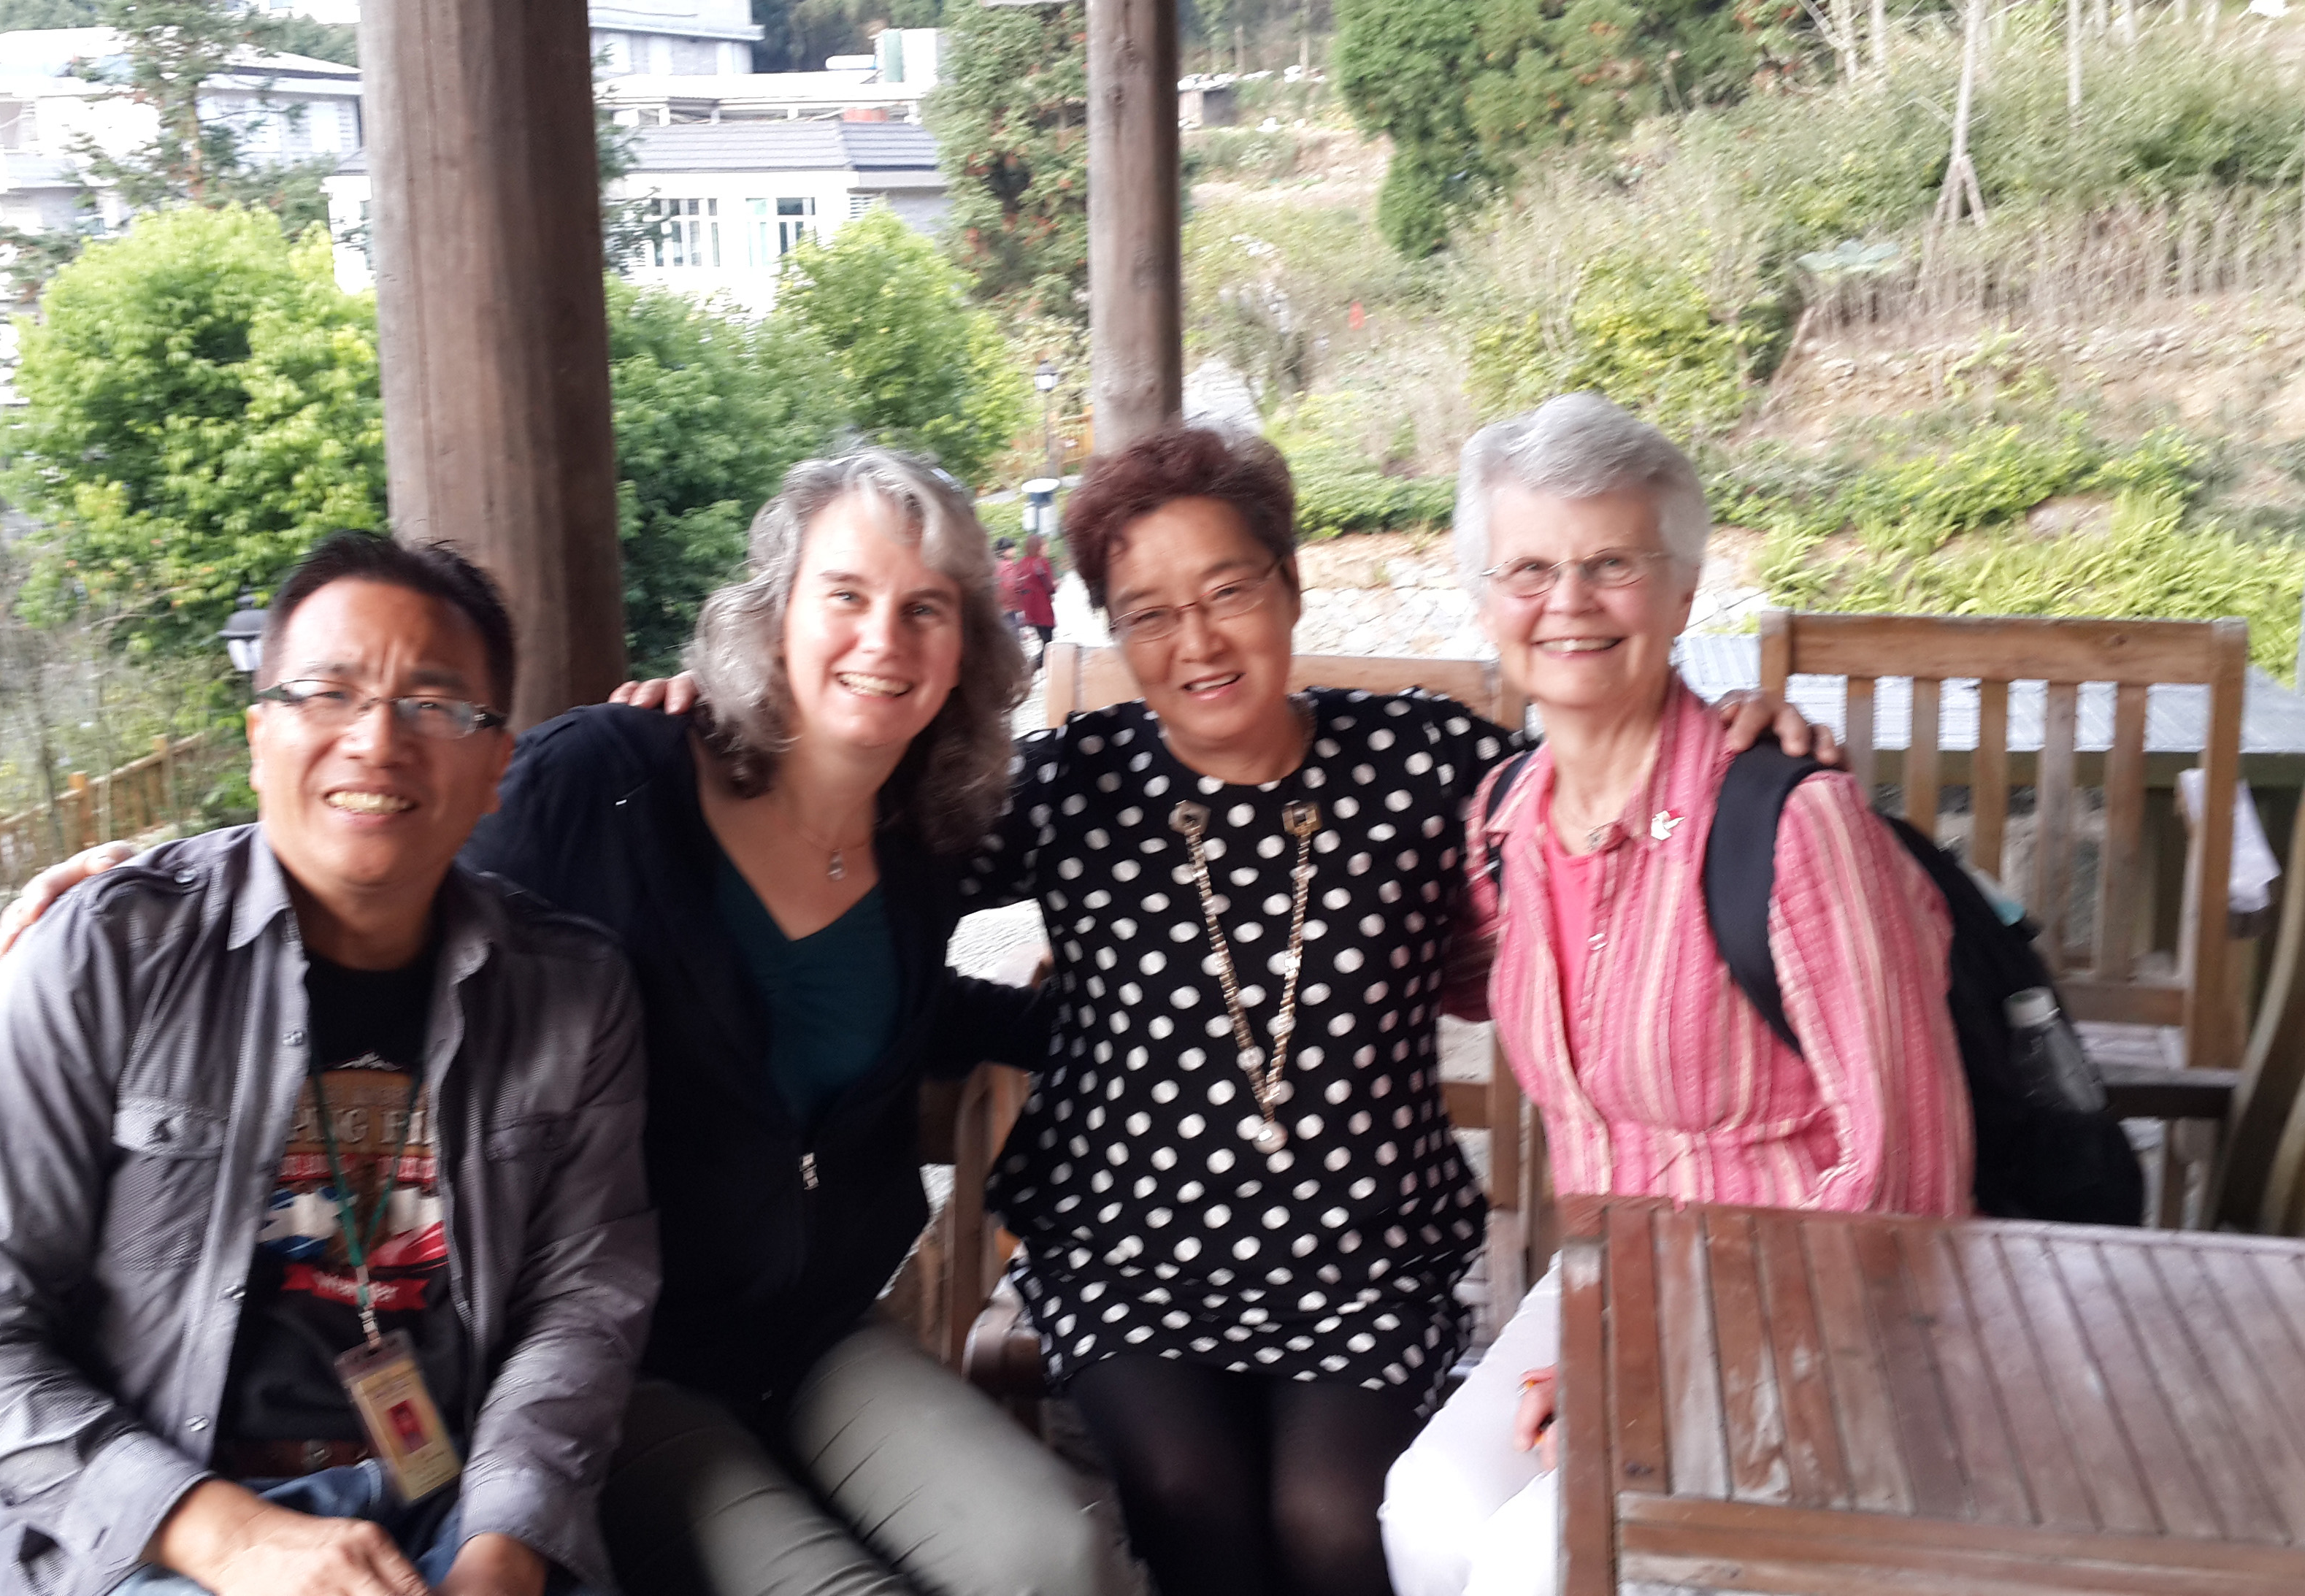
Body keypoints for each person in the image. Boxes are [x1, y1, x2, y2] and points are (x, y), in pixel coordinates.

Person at [602, 430, 1832, 1596]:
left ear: (1290, 587)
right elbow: (840, 861)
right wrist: (715, 740)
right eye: (1147, 612)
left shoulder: (1424, 760)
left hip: (1363, 1255)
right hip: (1125, 1252)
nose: (1195, 639)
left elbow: (1603, 780)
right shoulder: (1071, 785)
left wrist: (1732, 734)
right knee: (1189, 1491)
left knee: (1333, 1516)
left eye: (1228, 590)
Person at [0, 454, 1138, 1596]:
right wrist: (157, 879)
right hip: (618, 1353)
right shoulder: (614, 778)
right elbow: (395, 852)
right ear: (777, 612)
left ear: (963, 648)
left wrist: (1105, 1027)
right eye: (846, 593)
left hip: (815, 1328)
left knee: (1062, 1557)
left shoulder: (922, 840)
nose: (883, 636)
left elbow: (887, 1008)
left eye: (925, 608)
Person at [0, 533, 659, 1596]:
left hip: (450, 1505)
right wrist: (223, 1535)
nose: (377, 740)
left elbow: (583, 1299)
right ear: (260, 738)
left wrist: (506, 1542)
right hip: (148, 1534)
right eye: (329, 694)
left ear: (496, 768)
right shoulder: (102, 959)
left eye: (435, 704)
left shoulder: (573, 993)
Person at [1378, 395, 1975, 1596]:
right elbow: (1430, 971)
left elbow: (1910, 1180)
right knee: (1426, 1512)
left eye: (1612, 564)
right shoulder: (1506, 822)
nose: (1568, 601)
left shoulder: (1791, 824)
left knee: (1527, 1564)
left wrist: (1655, 1380)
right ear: (1485, 599)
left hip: (1810, 1325)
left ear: (1683, 590)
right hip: (1615, 1296)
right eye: (1529, 569)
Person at [1000, 535, 1059, 669]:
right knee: (1049, 645)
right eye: (1044, 545)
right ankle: (1032, 668)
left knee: (1045, 643)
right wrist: (1056, 584)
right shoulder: (1041, 562)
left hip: (1030, 612)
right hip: (1043, 610)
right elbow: (1050, 588)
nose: (1046, 548)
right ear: (1038, 547)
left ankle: (1035, 668)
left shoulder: (1022, 563)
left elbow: (1018, 586)